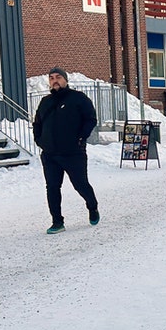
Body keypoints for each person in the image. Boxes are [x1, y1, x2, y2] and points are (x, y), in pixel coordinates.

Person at [32, 67, 99, 234]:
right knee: (52, 187)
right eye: (51, 78)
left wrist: (81, 137)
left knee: (80, 184)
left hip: (73, 152)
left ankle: (92, 206)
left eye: (58, 77)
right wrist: (39, 140)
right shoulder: (45, 101)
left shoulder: (78, 98)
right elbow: (37, 123)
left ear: (65, 80)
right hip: (50, 154)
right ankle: (57, 221)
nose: (55, 80)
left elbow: (90, 119)